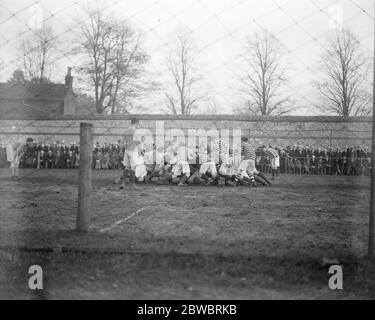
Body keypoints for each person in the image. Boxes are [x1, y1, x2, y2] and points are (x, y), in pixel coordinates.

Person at [120, 118, 141, 189]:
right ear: (137, 122)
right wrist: (140, 151)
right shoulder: (135, 131)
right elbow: (138, 142)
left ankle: (123, 183)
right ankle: (132, 183)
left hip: (126, 150)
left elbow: (122, 141)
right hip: (133, 150)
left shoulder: (126, 130)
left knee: (126, 167)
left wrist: (120, 150)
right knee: (133, 167)